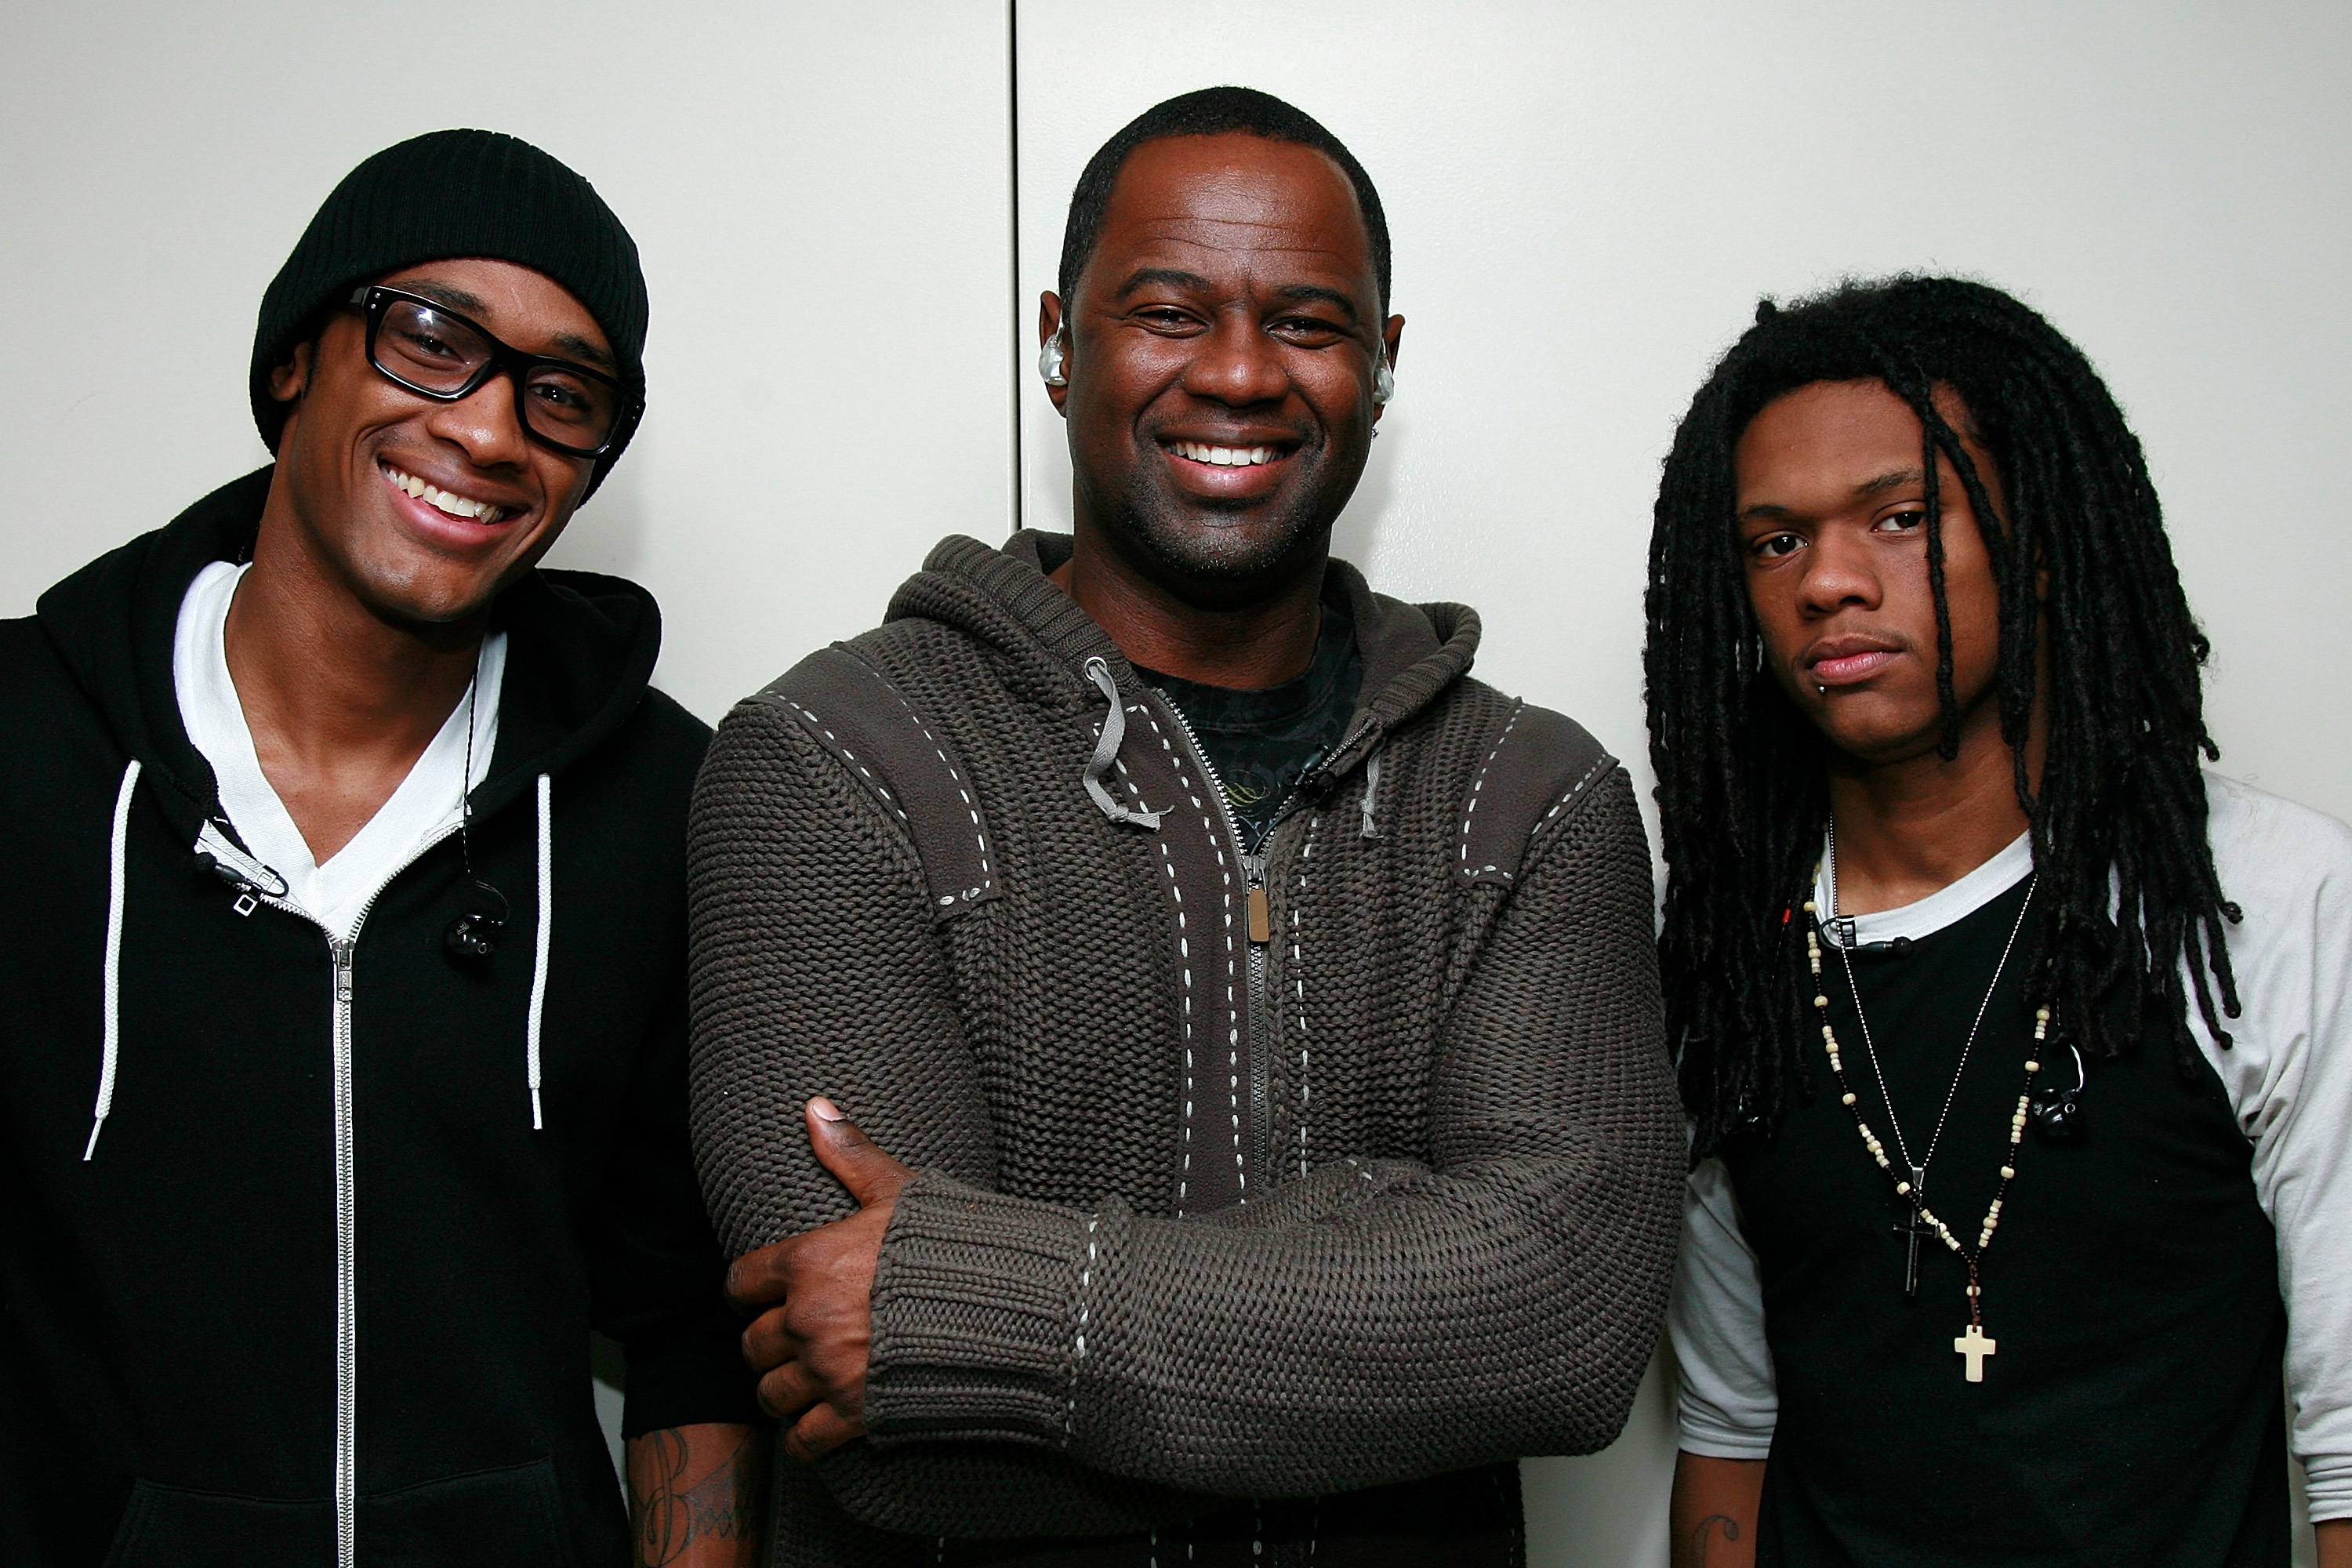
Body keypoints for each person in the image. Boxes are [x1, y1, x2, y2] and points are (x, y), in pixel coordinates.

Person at [689, 86, 1681, 1567]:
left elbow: (1570, 1327)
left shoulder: (1533, 799)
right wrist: (1398, 1338)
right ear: (1056, 341)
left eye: (1307, 323)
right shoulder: (831, 760)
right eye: (1167, 310)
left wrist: (1001, 1310)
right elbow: (887, 1437)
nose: (1237, 373)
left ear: (1381, 364)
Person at [0, 130, 767, 1567]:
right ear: (295, 358)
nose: (487, 430)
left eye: (562, 394)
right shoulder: (24, 749)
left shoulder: (658, 796)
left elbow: (687, 1325)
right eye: (430, 338)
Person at [1647, 277, 2352, 1566]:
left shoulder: (2262, 905)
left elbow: (2350, 1436)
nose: (1831, 584)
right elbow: (1730, 1430)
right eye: (1776, 541)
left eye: (1903, 516)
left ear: (2036, 538)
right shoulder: (1724, 964)